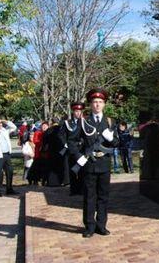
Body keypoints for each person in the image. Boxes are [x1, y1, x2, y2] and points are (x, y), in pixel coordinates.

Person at [68, 88, 119, 238]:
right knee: (89, 196)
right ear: (90, 104)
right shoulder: (83, 122)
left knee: (103, 196)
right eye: (94, 102)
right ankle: (89, 226)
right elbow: (71, 141)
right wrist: (78, 156)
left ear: (104, 104)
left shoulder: (110, 122)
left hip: (104, 163)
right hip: (89, 164)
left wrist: (111, 139)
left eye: (100, 102)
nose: (97, 105)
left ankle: (101, 225)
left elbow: (117, 142)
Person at [62, 102, 87, 195]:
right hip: (71, 149)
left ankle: (81, 189)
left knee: (81, 169)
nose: (78, 113)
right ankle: (73, 190)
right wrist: (65, 143)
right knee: (72, 170)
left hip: (81, 149)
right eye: (76, 111)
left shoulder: (85, 122)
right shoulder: (67, 123)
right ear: (73, 112)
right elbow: (61, 135)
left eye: (80, 111)